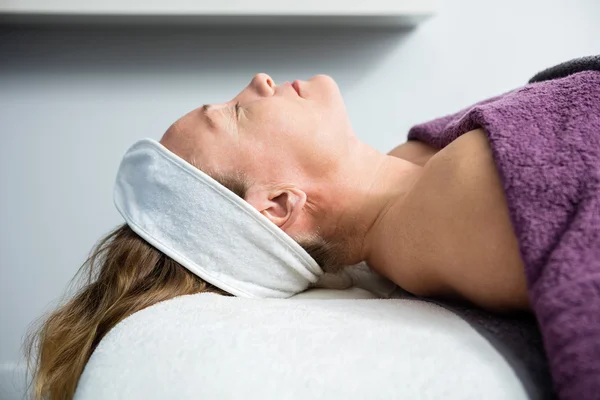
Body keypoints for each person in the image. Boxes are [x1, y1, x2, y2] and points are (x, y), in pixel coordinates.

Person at [26, 73, 530, 399]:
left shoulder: (413, 163)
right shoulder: (459, 202)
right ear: (280, 205)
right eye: (238, 112)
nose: (258, 82)